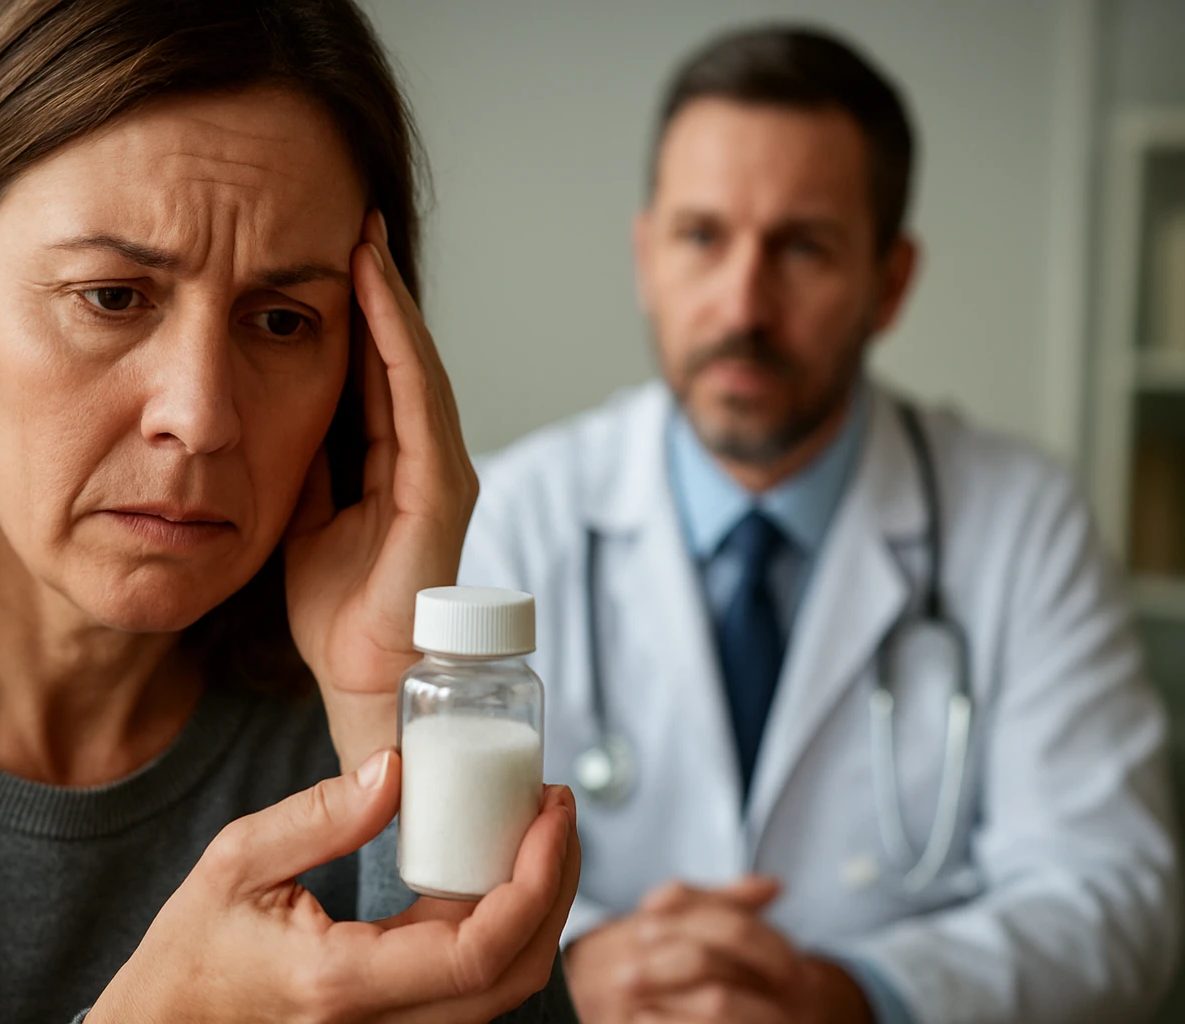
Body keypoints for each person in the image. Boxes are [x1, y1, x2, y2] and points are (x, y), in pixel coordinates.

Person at [0, 1, 582, 1021]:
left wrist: (395, 705)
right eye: (112, 296)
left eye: (281, 319)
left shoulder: (353, 717)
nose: (201, 415)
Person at [459, 23, 1179, 1024]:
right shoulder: (509, 512)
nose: (743, 304)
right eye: (702, 237)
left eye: (802, 247)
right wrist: (576, 970)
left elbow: (1115, 896)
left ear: (890, 282)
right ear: (646, 257)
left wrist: (851, 994)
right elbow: (433, 865)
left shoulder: (1025, 523)